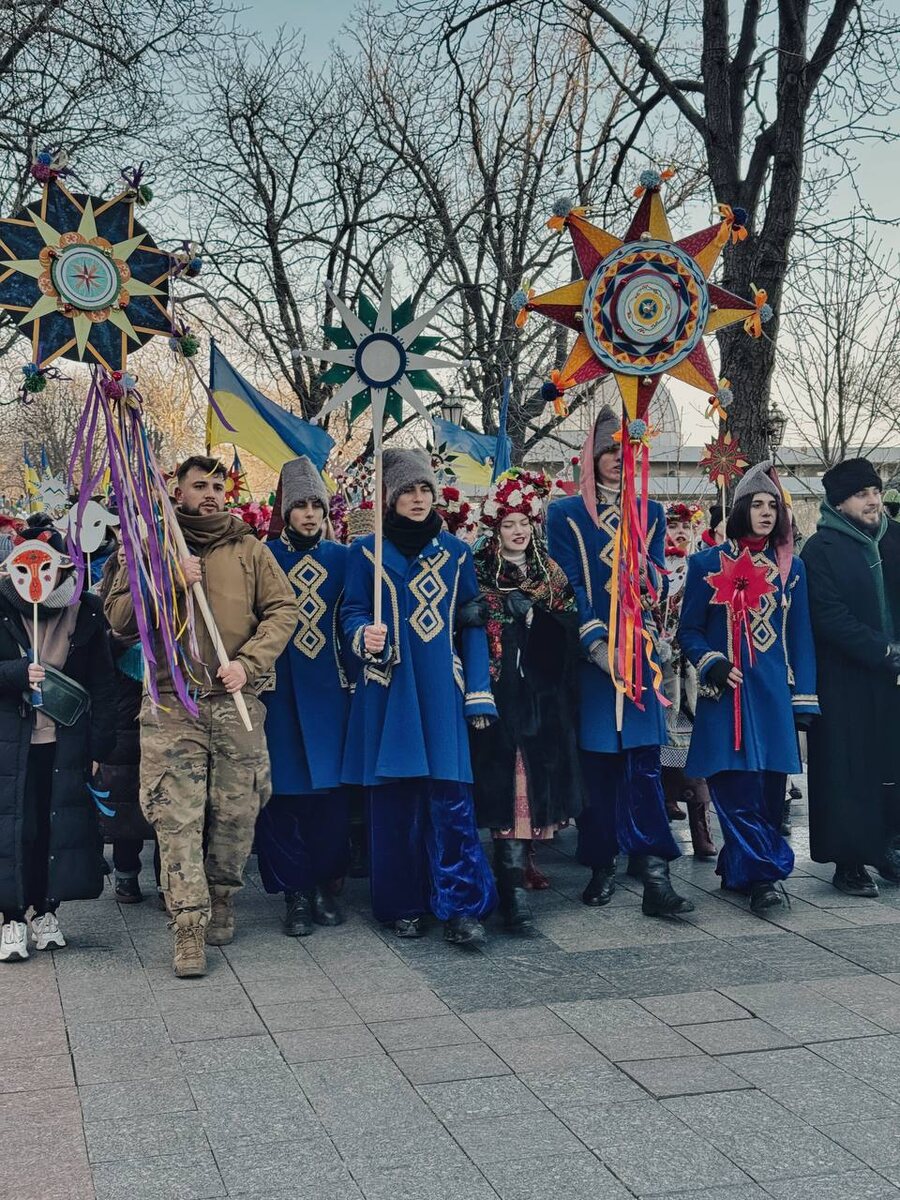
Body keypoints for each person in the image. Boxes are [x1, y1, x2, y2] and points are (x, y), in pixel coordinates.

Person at [104, 455, 295, 977]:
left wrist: (249, 663)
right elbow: (118, 619)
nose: (210, 493)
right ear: (178, 492)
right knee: (176, 815)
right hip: (172, 703)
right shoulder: (149, 549)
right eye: (199, 485)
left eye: (218, 485)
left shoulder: (249, 549)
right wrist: (167, 578)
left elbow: (283, 609)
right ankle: (187, 925)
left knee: (239, 810)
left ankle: (222, 895)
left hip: (233, 700)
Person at [341, 448, 497, 948]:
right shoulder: (364, 551)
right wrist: (361, 632)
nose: (417, 498)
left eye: (425, 489)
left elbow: (473, 626)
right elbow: (350, 612)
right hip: (387, 692)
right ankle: (402, 905)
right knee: (394, 806)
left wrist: (478, 693)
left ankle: (461, 907)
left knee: (450, 803)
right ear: (390, 497)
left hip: (440, 693)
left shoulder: (456, 553)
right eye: (407, 490)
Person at [546, 406, 693, 917]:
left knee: (645, 766)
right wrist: (596, 644)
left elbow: (653, 580)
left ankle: (655, 873)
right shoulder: (563, 515)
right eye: (607, 451)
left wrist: (652, 587)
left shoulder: (648, 513)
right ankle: (601, 863)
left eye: (623, 452)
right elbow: (566, 586)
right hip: (590, 662)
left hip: (640, 659)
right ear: (591, 456)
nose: (614, 460)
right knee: (599, 768)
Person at [678, 462, 819, 915]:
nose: (766, 513)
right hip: (727, 699)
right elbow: (689, 631)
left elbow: (801, 638)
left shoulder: (791, 568)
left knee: (765, 794)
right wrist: (712, 663)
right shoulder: (705, 564)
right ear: (740, 509)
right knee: (733, 792)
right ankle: (767, 875)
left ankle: (739, 866)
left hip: (773, 698)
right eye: (757, 505)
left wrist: (804, 699)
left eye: (773, 506)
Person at [464, 470, 583, 933]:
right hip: (493, 700)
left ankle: (515, 890)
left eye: (524, 522)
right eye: (508, 522)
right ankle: (507, 889)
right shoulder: (474, 572)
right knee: (498, 796)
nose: (517, 530)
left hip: (539, 703)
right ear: (495, 527)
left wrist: (535, 615)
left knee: (527, 797)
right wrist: (467, 617)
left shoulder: (549, 574)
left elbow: (569, 638)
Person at [0, 517, 116, 962]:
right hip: (12, 743)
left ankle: (46, 910)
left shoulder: (84, 610)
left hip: (64, 743)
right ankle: (11, 917)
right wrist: (13, 674)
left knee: (56, 830)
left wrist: (98, 747)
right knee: (15, 828)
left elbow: (102, 683)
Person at [256, 457, 351, 936]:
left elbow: (357, 615)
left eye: (316, 505)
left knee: (329, 800)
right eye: (300, 506)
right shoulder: (261, 555)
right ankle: (295, 892)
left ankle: (323, 885)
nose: (309, 514)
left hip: (332, 693)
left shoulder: (345, 558)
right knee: (284, 798)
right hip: (278, 693)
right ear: (284, 511)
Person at [801, 458, 900, 895]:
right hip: (845, 679)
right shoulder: (819, 549)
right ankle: (849, 860)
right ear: (839, 502)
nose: (873, 501)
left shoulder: (894, 539)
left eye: (875, 491)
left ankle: (889, 850)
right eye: (862, 494)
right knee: (847, 768)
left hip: (893, 679)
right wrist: (883, 649)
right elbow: (829, 616)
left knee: (890, 766)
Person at [657, 502, 717, 859]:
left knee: (694, 753)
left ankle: (701, 828)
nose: (679, 532)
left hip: (691, 673)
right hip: (659, 673)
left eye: (686, 526)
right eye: (673, 525)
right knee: (661, 750)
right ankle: (661, 815)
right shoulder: (654, 571)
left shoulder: (703, 569)